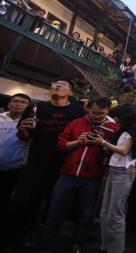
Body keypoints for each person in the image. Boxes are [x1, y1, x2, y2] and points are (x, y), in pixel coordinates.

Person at [4, 80, 84, 250]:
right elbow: (22, 136)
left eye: (62, 84)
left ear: (70, 92)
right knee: (24, 201)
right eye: (54, 84)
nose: (56, 85)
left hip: (64, 164)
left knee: (55, 204)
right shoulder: (36, 108)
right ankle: (16, 236)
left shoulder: (78, 109)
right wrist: (24, 131)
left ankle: (45, 239)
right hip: (37, 161)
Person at [40, 97, 119, 252]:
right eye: (94, 112)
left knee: (86, 214)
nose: (96, 116)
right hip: (67, 174)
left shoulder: (113, 128)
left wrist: (103, 144)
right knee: (56, 210)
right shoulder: (76, 123)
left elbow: (114, 154)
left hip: (93, 178)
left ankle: (79, 244)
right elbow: (61, 144)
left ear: (108, 111)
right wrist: (78, 142)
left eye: (101, 114)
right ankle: (46, 245)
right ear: (88, 109)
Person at [98, 103, 136, 253]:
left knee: (115, 215)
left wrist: (103, 142)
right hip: (114, 169)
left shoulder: (133, 130)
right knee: (105, 212)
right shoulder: (124, 129)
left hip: (123, 172)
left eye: (117, 116)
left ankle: (116, 249)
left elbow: (124, 150)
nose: (115, 119)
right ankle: (105, 247)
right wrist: (105, 143)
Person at [0, 93, 31, 227]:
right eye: (16, 101)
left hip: (14, 169)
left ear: (28, 107)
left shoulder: (31, 123)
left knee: (5, 201)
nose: (19, 104)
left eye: (23, 102)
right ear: (9, 104)